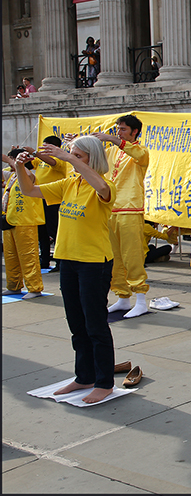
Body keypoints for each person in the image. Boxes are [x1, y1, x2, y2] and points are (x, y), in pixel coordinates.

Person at [14, 135, 117, 404]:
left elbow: (102, 187)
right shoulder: (70, 183)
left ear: (91, 159)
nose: (70, 159)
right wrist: (19, 168)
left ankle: (104, 382)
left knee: (95, 324)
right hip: (68, 261)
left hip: (94, 262)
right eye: (72, 155)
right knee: (76, 323)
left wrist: (68, 157)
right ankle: (85, 376)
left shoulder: (104, 186)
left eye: (78, 156)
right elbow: (30, 191)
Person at [93, 115, 151, 319]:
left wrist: (113, 139)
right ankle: (123, 296)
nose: (119, 132)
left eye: (123, 130)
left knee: (132, 254)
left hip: (130, 208)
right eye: (118, 129)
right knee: (114, 257)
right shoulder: (111, 152)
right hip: (110, 208)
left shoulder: (140, 151)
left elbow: (139, 155)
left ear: (134, 132)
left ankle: (141, 299)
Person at [2, 148, 45, 299]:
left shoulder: (29, 175)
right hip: (9, 221)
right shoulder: (12, 176)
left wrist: (11, 161)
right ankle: (13, 286)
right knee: (10, 256)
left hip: (25, 222)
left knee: (28, 256)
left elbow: (26, 174)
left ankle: (34, 288)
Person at [25, 135, 68, 270]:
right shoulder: (40, 159)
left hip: (54, 200)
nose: (42, 149)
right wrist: (21, 155)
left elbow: (52, 162)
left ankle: (60, 262)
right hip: (40, 199)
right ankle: (44, 261)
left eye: (46, 146)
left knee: (54, 230)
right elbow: (30, 165)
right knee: (41, 230)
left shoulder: (60, 159)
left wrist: (35, 152)